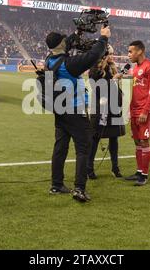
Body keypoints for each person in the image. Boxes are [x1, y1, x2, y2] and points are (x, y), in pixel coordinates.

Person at [46, 26, 111, 202]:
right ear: (61, 44)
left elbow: (64, 44)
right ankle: (79, 188)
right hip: (75, 111)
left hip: (60, 110)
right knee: (83, 149)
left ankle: (56, 184)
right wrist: (103, 38)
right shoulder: (70, 64)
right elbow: (92, 56)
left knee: (60, 147)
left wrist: (77, 32)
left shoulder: (50, 60)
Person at [87, 44, 125, 179]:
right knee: (95, 139)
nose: (112, 56)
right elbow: (97, 89)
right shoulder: (94, 69)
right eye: (110, 54)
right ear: (103, 55)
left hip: (113, 108)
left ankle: (115, 168)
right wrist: (113, 81)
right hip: (100, 109)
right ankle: (89, 169)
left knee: (114, 139)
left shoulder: (111, 68)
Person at [125, 41, 150, 186]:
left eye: (130, 51)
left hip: (145, 111)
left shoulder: (149, 67)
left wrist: (145, 111)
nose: (129, 55)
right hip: (135, 110)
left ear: (140, 51)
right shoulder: (135, 68)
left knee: (144, 141)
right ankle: (139, 171)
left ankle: (144, 175)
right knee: (137, 141)